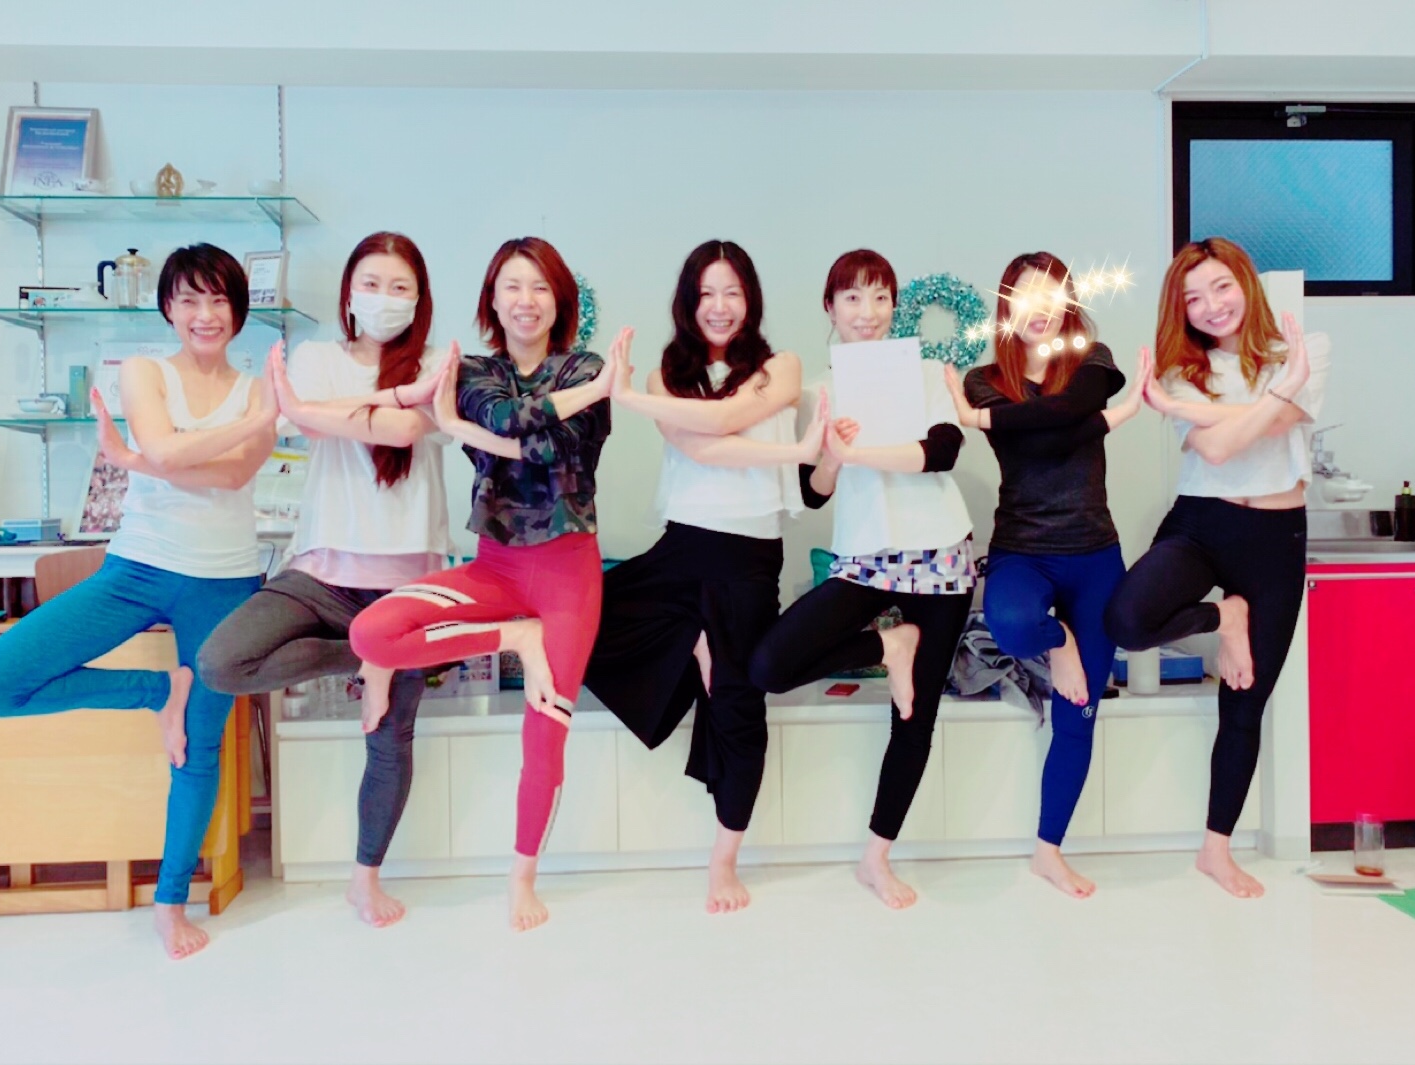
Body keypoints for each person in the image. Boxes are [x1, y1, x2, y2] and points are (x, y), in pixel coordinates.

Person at [0, 243, 277, 958]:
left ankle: (169, 902)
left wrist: (143, 457)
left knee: (195, 751)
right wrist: (178, 448)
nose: (204, 314)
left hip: (225, 581)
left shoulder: (258, 387)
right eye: (189, 299)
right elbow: (169, 454)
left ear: (238, 310)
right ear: (167, 307)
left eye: (219, 299)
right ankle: (156, 690)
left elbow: (229, 477)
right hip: (135, 569)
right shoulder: (145, 371)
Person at [346, 237, 612, 932]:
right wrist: (465, 419)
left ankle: (522, 878)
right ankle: (513, 638)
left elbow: (551, 446)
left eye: (540, 287)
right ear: (492, 299)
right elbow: (502, 419)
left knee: (545, 733)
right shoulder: (476, 371)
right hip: (494, 568)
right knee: (372, 633)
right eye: (512, 286)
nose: (526, 300)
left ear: (560, 300)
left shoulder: (584, 366)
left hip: (567, 576)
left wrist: (462, 424)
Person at [196, 231, 450, 928]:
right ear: (348, 292)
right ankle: (369, 655)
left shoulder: (440, 363)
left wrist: (325, 411)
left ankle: (364, 880)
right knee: (221, 662)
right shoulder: (313, 357)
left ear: (420, 299)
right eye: (371, 283)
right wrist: (357, 405)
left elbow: (401, 432)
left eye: (400, 287)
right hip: (321, 571)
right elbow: (305, 422)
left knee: (389, 737)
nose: (384, 298)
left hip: (408, 585)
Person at [587, 239, 824, 914]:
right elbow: (700, 446)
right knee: (588, 616)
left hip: (750, 558)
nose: (719, 307)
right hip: (685, 545)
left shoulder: (780, 367)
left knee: (738, 705)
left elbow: (721, 421)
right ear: (687, 302)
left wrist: (627, 397)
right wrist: (794, 450)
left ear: (751, 299)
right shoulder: (666, 372)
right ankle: (692, 638)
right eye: (705, 294)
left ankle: (723, 862)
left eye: (732, 292)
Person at [747, 249, 975, 909]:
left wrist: (861, 450)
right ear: (830, 307)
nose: (867, 312)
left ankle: (876, 857)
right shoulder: (816, 390)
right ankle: (888, 645)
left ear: (894, 306)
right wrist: (832, 456)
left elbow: (943, 451)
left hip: (938, 553)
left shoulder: (928, 372)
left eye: (879, 298)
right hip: (866, 556)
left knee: (915, 715)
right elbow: (812, 491)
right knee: (769, 663)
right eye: (852, 298)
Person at [1104, 236, 1325, 899]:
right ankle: (1225, 616)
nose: (1210, 306)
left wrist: (1198, 411)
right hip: (1201, 523)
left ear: (1245, 281)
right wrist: (1273, 395)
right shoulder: (1181, 370)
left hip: (1275, 536)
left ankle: (1215, 850)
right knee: (1126, 619)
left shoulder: (1304, 349)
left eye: (1220, 287)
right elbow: (1223, 449)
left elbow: (1257, 429)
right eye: (1192, 298)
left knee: (1245, 701)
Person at [945, 250, 1148, 898]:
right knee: (1009, 624)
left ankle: (1048, 852)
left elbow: (1060, 423)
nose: (1040, 308)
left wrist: (981, 420)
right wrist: (1110, 419)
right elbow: (1041, 438)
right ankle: (1059, 641)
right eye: (1025, 295)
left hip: (1094, 555)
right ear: (1006, 306)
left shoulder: (1093, 360)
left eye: (1052, 294)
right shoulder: (984, 378)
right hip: (1022, 552)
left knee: (1078, 714)